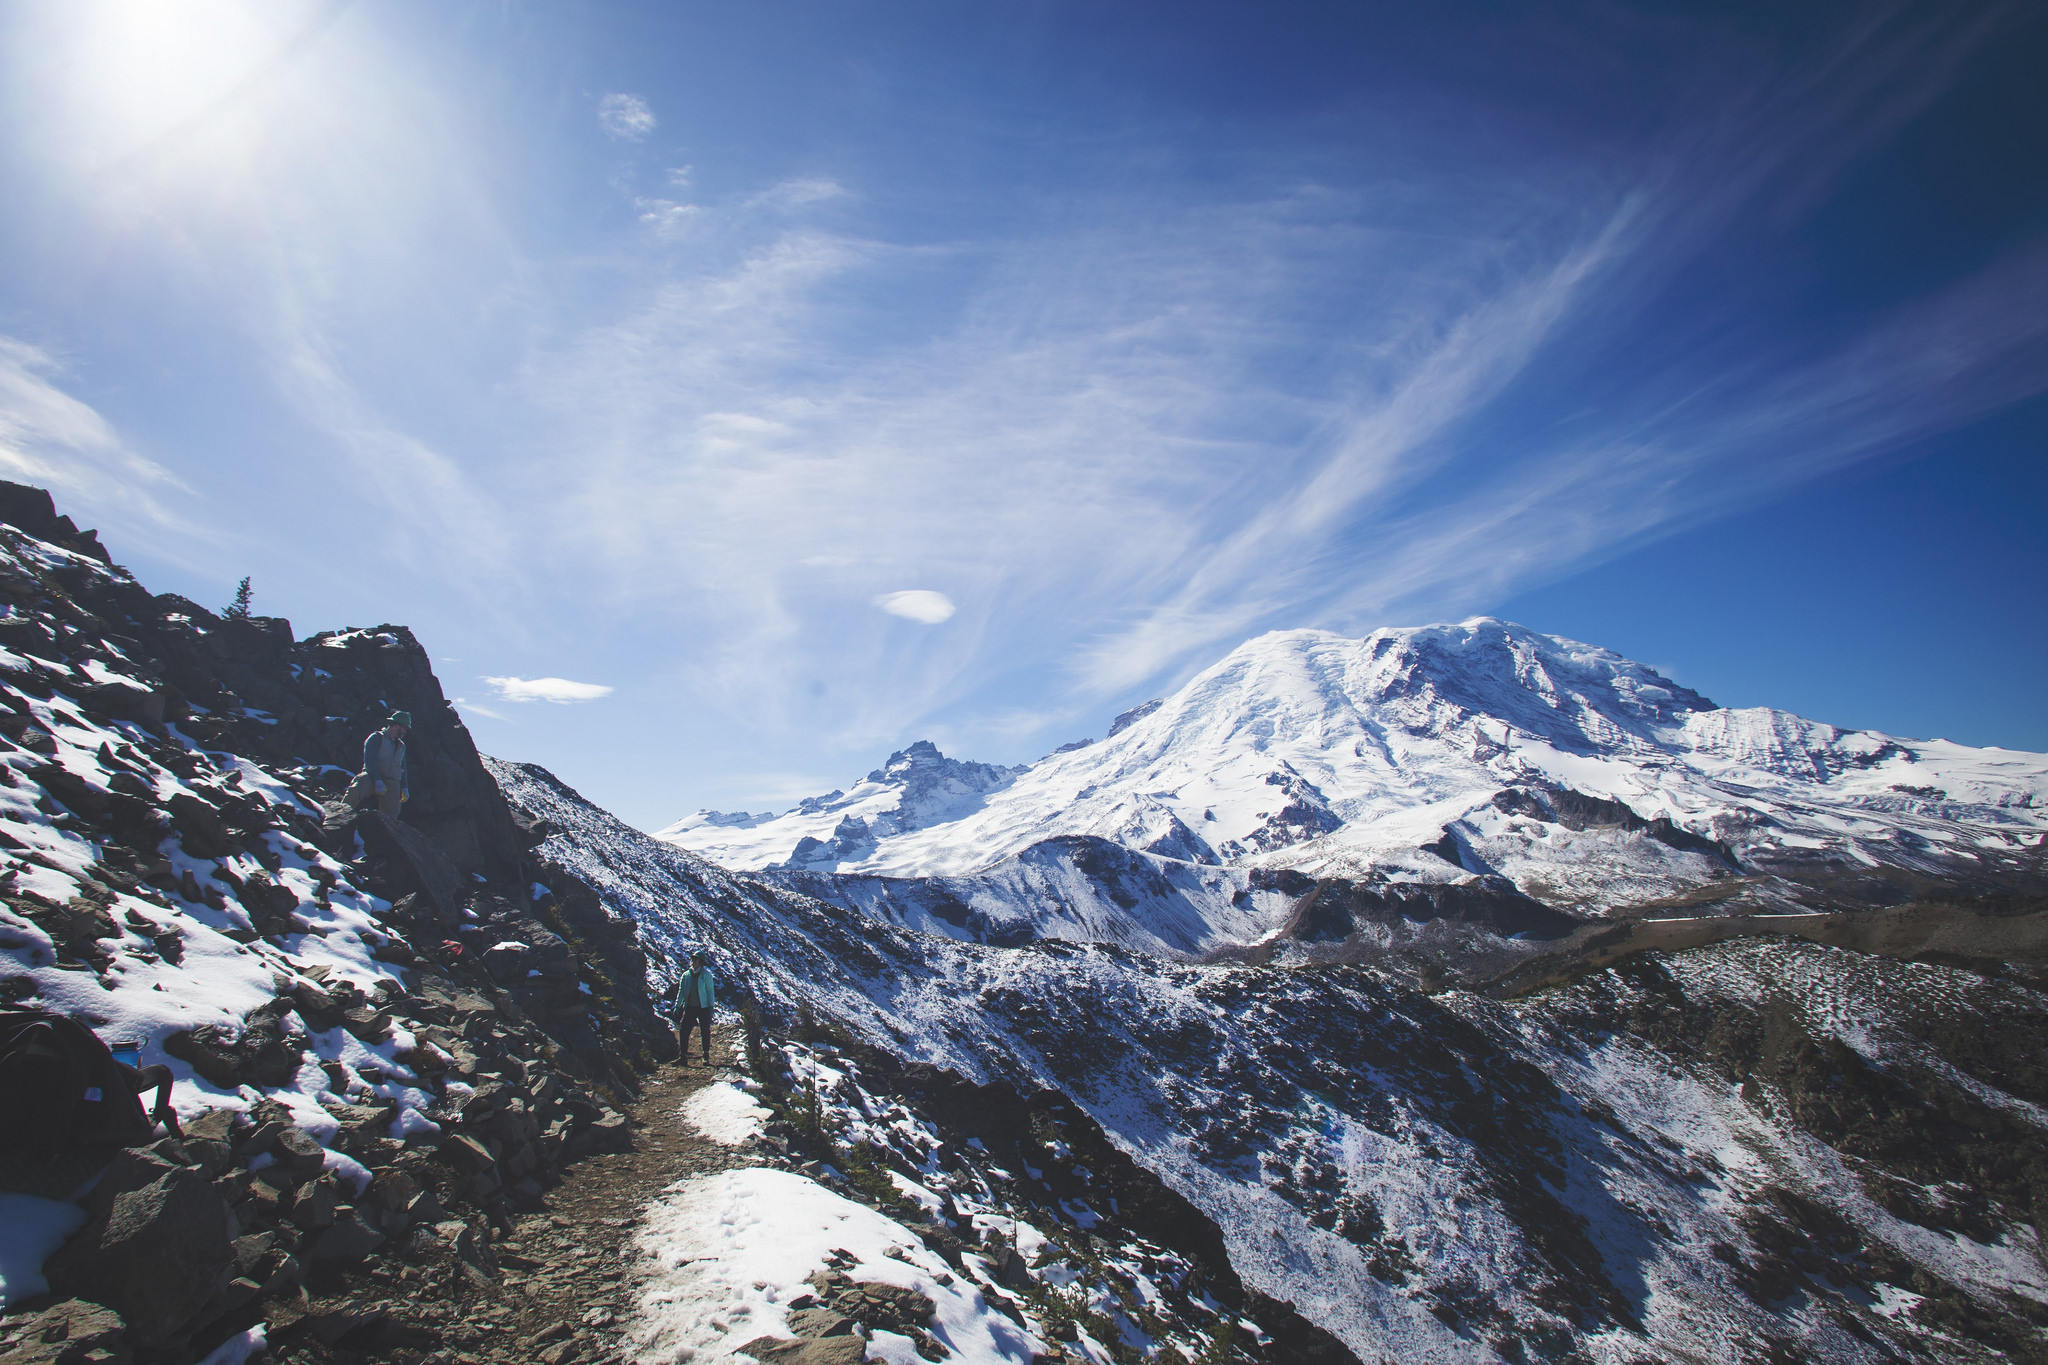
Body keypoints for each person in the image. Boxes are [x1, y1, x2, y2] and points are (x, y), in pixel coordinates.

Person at [346, 712, 411, 819]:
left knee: (393, 813)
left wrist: (404, 787)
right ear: (396, 726)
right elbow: (370, 761)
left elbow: (402, 768)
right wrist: (377, 780)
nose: (405, 732)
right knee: (357, 788)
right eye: (404, 728)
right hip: (372, 776)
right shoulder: (376, 738)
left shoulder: (401, 746)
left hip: (392, 781)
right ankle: (341, 813)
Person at [674, 951, 716, 1066]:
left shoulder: (706, 975)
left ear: (701, 962)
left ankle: (705, 1055)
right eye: (693, 959)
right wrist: (678, 1005)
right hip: (690, 1007)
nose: (693, 961)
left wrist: (711, 1005)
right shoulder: (686, 975)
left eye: (696, 959)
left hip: (703, 1007)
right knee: (683, 1031)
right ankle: (683, 1056)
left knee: (705, 1031)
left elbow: (710, 991)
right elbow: (681, 991)